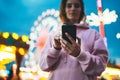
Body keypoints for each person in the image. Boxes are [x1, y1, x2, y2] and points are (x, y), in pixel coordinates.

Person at [39, 0, 108, 80]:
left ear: (81, 10)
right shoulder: (54, 35)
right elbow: (42, 65)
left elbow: (100, 67)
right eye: (69, 6)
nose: (73, 9)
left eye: (77, 6)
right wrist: (55, 49)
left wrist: (79, 54)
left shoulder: (94, 35)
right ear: (64, 10)